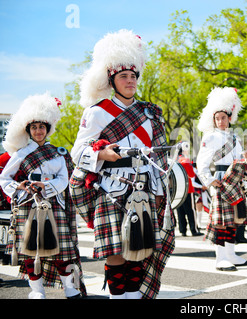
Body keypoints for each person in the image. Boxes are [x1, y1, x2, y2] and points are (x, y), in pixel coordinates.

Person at [70, 29, 175, 299]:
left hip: (144, 186)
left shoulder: (150, 113)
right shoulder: (97, 112)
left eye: (133, 76)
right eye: (123, 77)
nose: (130, 81)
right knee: (115, 251)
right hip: (112, 186)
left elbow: (159, 156)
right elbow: (77, 151)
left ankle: (134, 297)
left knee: (139, 248)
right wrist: (101, 154)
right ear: (112, 80)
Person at [0, 93, 85, 299]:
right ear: (29, 130)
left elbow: (64, 179)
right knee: (31, 250)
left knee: (61, 250)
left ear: (48, 129)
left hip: (53, 204)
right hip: (29, 204)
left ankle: (70, 288)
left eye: (42, 127)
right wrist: (19, 187)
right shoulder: (20, 154)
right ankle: (36, 291)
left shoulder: (59, 153)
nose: (38, 131)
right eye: (34, 127)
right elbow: (4, 178)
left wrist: (46, 186)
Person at [196, 87, 247, 271]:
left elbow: (238, 158)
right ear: (214, 120)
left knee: (233, 219)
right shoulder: (209, 137)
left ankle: (231, 255)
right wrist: (210, 180)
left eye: (223, 118)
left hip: (234, 180)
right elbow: (201, 162)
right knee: (221, 221)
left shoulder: (235, 137)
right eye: (217, 118)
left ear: (229, 118)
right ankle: (220, 258)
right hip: (220, 180)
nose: (220, 121)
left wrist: (246, 161)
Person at [177, 153, 203, 237]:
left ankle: (182, 230)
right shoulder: (186, 161)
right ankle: (193, 230)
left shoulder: (175, 161)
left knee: (180, 211)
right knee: (191, 211)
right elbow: (191, 175)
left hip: (178, 190)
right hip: (187, 189)